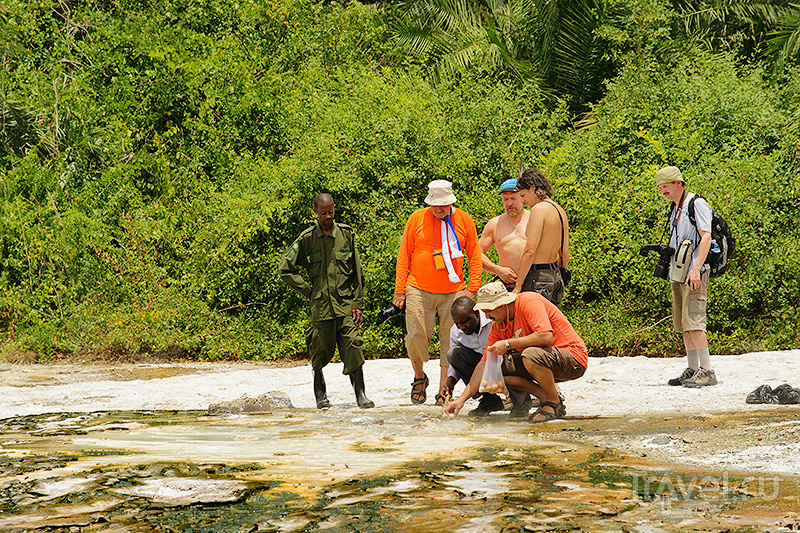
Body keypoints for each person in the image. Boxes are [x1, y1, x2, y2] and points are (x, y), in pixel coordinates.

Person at [279, 193, 374, 409]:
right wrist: (306, 289)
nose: (328, 216)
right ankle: (320, 396)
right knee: (318, 350)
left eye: (331, 212)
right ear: (315, 213)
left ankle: (361, 395)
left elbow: (357, 272)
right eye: (323, 213)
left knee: (353, 346)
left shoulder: (346, 235)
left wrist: (358, 303)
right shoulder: (306, 239)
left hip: (345, 304)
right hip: (321, 307)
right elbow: (285, 268)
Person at [444, 282, 588, 423]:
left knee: (530, 355)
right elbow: (483, 364)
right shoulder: (498, 325)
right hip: (547, 362)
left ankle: (553, 403)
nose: (487, 316)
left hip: (573, 358)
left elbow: (545, 336)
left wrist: (507, 344)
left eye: (489, 310)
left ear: (503, 304)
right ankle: (546, 398)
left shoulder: (529, 301)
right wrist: (461, 400)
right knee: (496, 370)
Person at [394, 180, 482, 405]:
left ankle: (444, 388)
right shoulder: (417, 218)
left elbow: (474, 255)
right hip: (418, 287)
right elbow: (404, 254)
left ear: (451, 201)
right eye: (435, 205)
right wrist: (399, 290)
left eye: (443, 205)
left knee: (450, 340)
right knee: (415, 334)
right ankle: (419, 378)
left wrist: (472, 290)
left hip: (453, 291)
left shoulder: (464, 219)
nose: (439, 209)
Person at [656, 166, 717, 387]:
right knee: (683, 322)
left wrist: (696, 270)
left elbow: (706, 237)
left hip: (694, 271)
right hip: (679, 271)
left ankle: (707, 371)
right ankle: (692, 369)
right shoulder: (675, 208)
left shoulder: (696, 204)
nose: (663, 190)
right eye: (660, 187)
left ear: (679, 183)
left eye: (666, 186)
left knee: (695, 320)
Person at [441, 296, 533, 418]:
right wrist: (450, 380)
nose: (461, 327)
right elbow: (456, 363)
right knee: (453, 354)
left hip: (501, 360)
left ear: (477, 314)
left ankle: (521, 401)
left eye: (465, 322)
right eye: (457, 323)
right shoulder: (455, 332)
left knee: (509, 359)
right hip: (479, 364)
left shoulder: (494, 320)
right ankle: (489, 400)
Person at [513, 167, 569, 306]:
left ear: (532, 188)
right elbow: (565, 253)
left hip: (537, 278)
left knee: (535, 324)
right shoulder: (560, 210)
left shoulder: (538, 210)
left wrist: (518, 286)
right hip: (555, 276)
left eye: (523, 195)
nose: (523, 200)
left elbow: (530, 251)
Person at [479, 179, 530, 291]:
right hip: (508, 283)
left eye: (513, 198)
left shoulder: (534, 219)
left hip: (534, 280)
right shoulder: (494, 224)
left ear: (523, 198)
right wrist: (498, 270)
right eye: (505, 199)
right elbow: (477, 254)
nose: (509, 203)